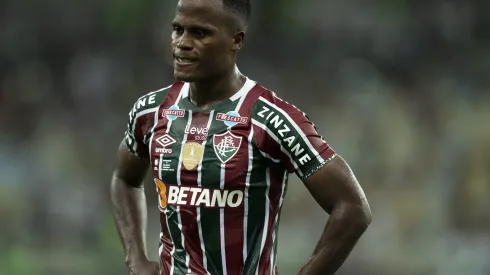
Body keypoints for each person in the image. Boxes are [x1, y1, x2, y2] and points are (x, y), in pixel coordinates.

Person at [110, 0, 372, 274]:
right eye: (178, 29)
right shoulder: (151, 111)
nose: (182, 43)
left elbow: (353, 208)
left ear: (236, 40)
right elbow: (124, 179)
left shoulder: (270, 119)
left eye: (200, 33)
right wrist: (136, 258)